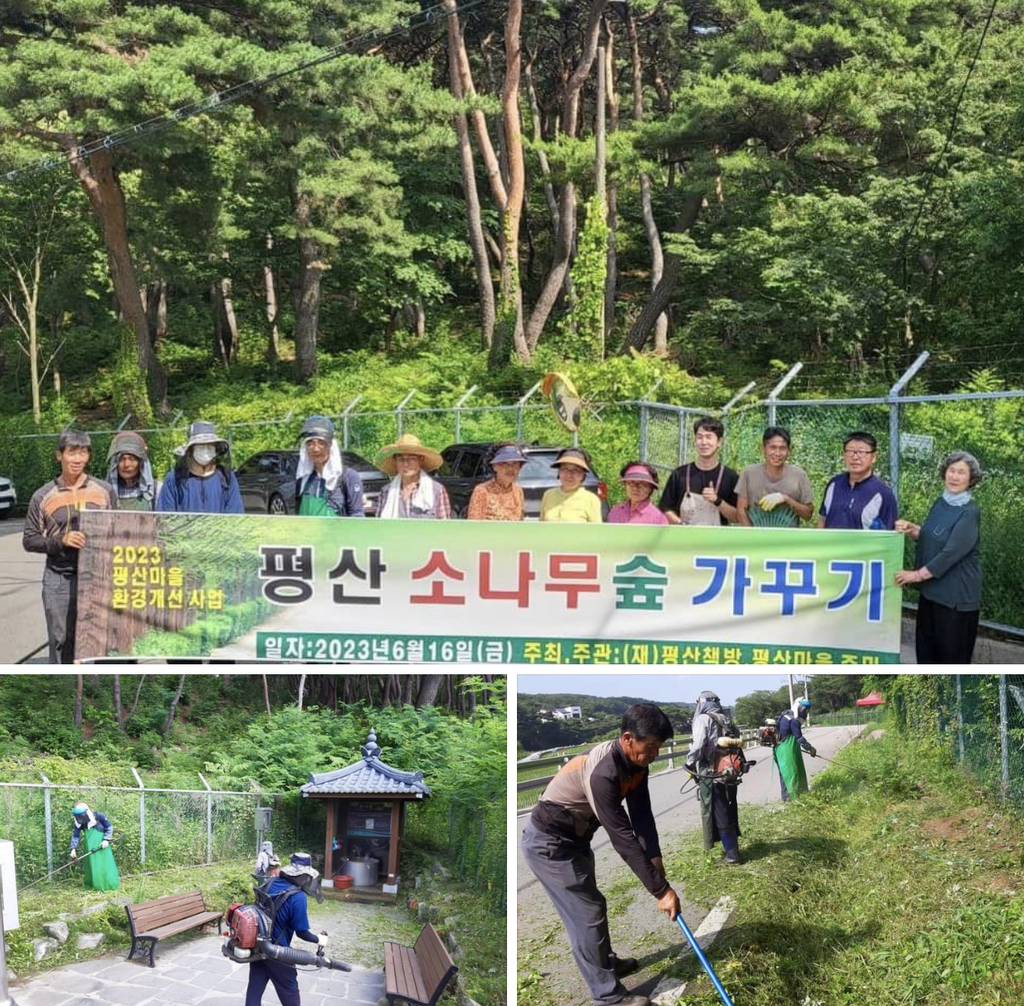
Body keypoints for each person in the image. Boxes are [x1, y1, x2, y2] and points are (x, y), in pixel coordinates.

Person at [521, 704, 682, 1006]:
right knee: (587, 914)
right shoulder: (603, 773)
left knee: (593, 905)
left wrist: (655, 856)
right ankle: (607, 996)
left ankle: (604, 963)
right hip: (549, 845)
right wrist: (661, 890)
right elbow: (622, 837)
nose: (654, 755)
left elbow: (642, 815)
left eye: (659, 748)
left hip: (575, 839)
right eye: (650, 748)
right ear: (627, 738)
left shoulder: (637, 764)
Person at [22, 430, 117, 663]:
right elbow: (30, 539)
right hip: (59, 577)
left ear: (89, 457)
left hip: (96, 577)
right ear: (59, 455)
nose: (77, 459)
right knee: (60, 638)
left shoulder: (104, 491)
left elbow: (118, 530)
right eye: (72, 453)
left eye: (83, 453)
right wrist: (59, 541)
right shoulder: (43, 496)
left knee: (94, 640)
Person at [894, 451, 983, 663]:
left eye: (961, 472)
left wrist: (915, 576)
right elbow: (932, 536)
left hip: (955, 600)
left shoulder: (969, 512)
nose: (954, 476)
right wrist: (912, 529)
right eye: (951, 470)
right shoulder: (941, 503)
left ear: (971, 479)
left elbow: (950, 553)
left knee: (950, 659)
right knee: (926, 655)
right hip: (931, 594)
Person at [245, 852, 328, 1006]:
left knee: (254, 990)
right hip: (279, 953)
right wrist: (319, 939)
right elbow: (302, 932)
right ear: (303, 876)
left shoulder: (270, 883)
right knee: (290, 992)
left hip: (258, 947)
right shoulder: (298, 897)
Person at [685, 691, 743, 865]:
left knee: (718, 812)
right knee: (729, 807)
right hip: (730, 771)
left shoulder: (703, 719)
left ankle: (732, 855)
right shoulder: (726, 718)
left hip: (711, 772)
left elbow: (698, 744)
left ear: (701, 703)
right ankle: (732, 849)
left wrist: (689, 763)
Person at [657, 416, 738, 526]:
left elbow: (737, 517)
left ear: (719, 442)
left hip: (718, 541)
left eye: (708, 437)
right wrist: (680, 524)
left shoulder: (730, 477)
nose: (704, 442)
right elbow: (665, 509)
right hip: (685, 540)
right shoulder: (679, 474)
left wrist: (718, 501)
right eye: (699, 437)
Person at [156, 421, 244, 514]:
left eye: (210, 446)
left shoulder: (227, 478)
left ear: (216, 449)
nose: (205, 450)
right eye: (200, 446)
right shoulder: (174, 479)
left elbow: (235, 516)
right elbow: (165, 517)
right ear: (190, 450)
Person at [736, 427, 814, 527]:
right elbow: (741, 510)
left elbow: (808, 514)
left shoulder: (799, 475)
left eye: (782, 448)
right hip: (756, 538)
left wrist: (786, 499)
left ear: (789, 451)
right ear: (763, 449)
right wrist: (752, 536)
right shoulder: (749, 473)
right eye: (772, 447)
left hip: (788, 539)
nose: (777, 453)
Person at [818, 432, 897, 530]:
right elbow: (822, 519)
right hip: (830, 545)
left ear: (874, 457)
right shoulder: (834, 484)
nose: (855, 457)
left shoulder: (883, 494)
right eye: (850, 451)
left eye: (861, 452)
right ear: (844, 455)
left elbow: (888, 534)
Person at [294, 416, 364, 517]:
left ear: (331, 446)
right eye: (310, 443)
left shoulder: (348, 477)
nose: (315, 449)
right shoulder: (303, 479)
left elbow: (357, 515)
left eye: (321, 443)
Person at [376, 433, 452, 519]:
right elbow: (379, 526)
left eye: (411, 459)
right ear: (395, 461)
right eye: (401, 459)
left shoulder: (437, 491)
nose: (405, 463)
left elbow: (444, 527)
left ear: (421, 460)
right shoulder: (386, 492)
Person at [540, 447, 603, 523]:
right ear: (559, 472)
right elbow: (542, 526)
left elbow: (596, 532)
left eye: (576, 470)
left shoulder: (591, 499)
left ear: (583, 475)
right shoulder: (548, 495)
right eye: (565, 469)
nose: (569, 474)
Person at [467, 443, 527, 520]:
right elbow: (473, 524)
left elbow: (521, 522)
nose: (510, 469)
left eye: (515, 464)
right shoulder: (482, 491)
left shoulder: (518, 490)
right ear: (495, 467)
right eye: (505, 464)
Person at [69, 802, 120, 891]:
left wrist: (106, 840)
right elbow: (76, 835)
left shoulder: (99, 816)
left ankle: (108, 884)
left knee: (103, 864)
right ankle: (94, 885)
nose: (80, 819)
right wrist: (73, 849)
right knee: (92, 865)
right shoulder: (79, 822)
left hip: (102, 845)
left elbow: (109, 827)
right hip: (89, 847)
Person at [774, 699, 815, 802]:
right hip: (786, 751)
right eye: (804, 710)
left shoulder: (785, 716)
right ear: (799, 708)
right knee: (793, 774)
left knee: (784, 776)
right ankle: (795, 799)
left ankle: (786, 799)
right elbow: (800, 739)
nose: (805, 713)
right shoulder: (793, 721)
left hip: (779, 750)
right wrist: (811, 749)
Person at [105, 430, 158, 510]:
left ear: (141, 464)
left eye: (132, 459)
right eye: (122, 459)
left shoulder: (155, 490)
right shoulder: (105, 492)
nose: (126, 465)